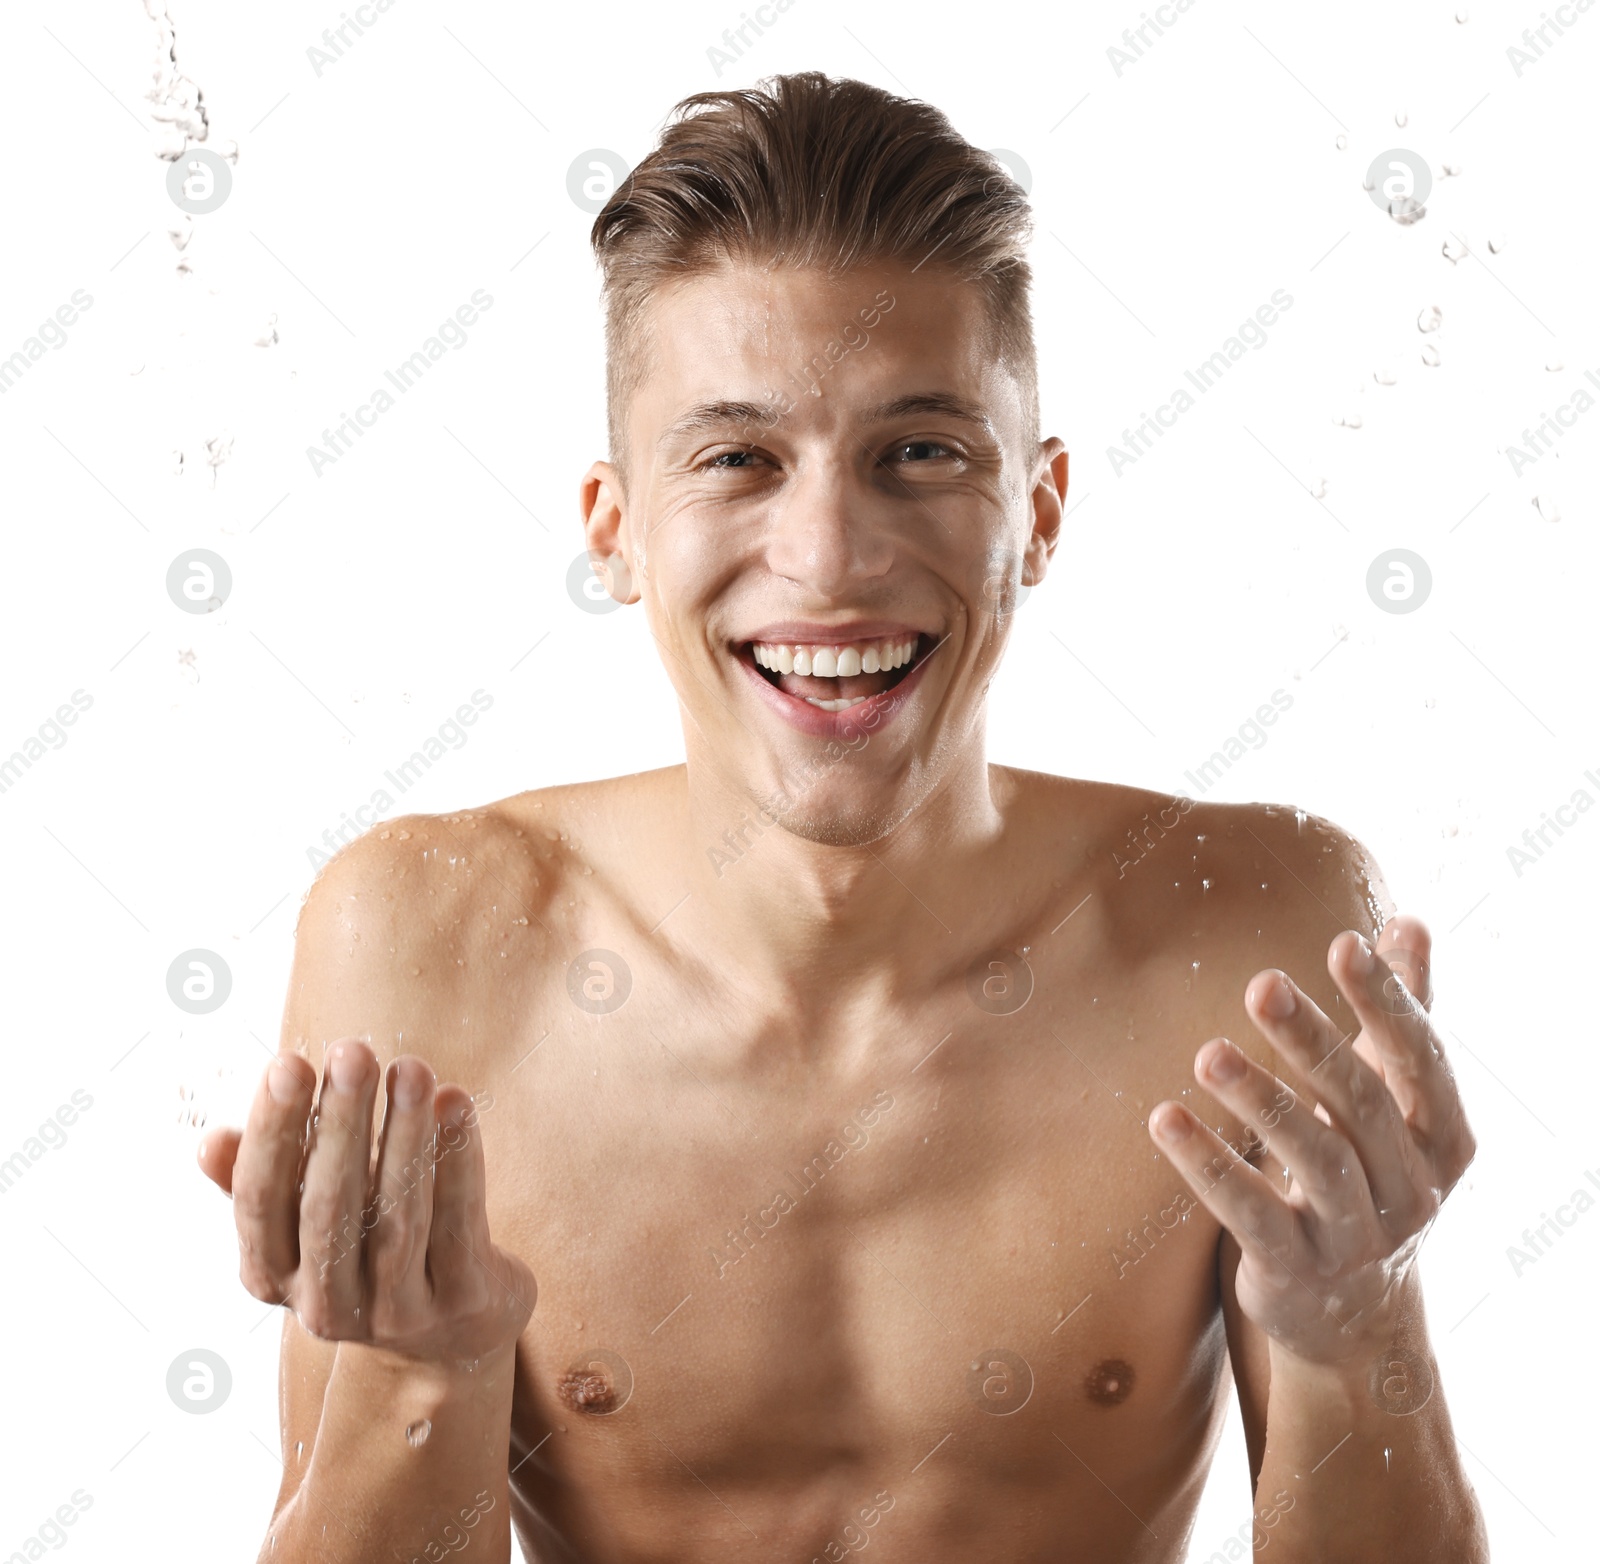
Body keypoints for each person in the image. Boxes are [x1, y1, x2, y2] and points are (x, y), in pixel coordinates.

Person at [197, 71, 1487, 1563]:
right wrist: (424, 1374)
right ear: (615, 529)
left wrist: (1348, 1328)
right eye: (738, 458)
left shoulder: (1256, 930)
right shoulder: (428, 936)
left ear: (1041, 515)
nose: (828, 558)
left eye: (921, 452)